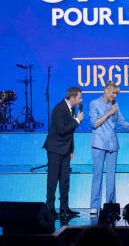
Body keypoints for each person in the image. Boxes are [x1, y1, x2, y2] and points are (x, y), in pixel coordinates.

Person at [89, 80, 129, 214]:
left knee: (111, 176)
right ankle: (94, 205)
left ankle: (110, 204)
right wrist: (109, 112)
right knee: (97, 174)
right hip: (98, 143)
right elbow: (94, 124)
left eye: (116, 94)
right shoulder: (94, 103)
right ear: (106, 91)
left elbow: (121, 121)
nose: (115, 96)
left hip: (112, 144)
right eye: (113, 93)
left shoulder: (116, 105)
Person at [43, 87, 84, 217]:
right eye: (79, 98)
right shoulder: (59, 109)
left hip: (66, 149)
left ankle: (64, 207)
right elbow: (62, 130)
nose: (81, 100)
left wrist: (71, 148)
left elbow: (70, 133)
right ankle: (50, 207)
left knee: (65, 180)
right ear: (72, 98)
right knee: (53, 179)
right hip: (55, 149)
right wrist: (77, 120)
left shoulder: (71, 109)